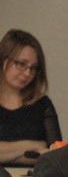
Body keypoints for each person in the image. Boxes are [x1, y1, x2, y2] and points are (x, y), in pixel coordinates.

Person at [0, 29, 61, 165]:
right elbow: (41, 152)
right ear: (3, 59)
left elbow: (55, 155)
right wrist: (32, 146)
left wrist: (6, 151)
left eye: (33, 68)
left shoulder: (43, 105)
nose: (27, 73)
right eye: (21, 64)